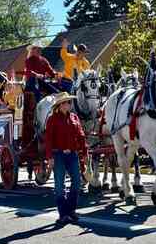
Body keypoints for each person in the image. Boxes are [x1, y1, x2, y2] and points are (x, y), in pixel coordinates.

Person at [45, 92, 88, 226]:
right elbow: (48, 140)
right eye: (64, 102)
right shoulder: (52, 119)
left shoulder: (74, 117)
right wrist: (49, 158)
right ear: (59, 105)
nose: (67, 104)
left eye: (69, 102)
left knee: (77, 182)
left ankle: (70, 209)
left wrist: (85, 153)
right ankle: (63, 214)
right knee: (59, 186)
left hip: (73, 154)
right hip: (58, 155)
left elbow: (81, 136)